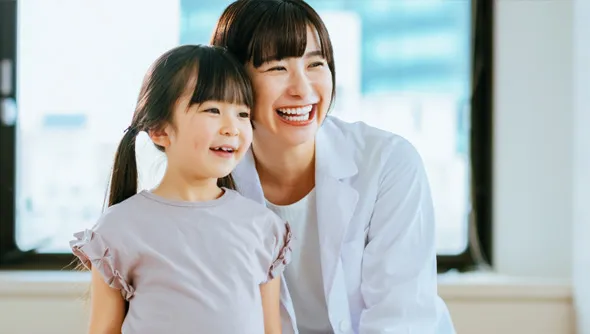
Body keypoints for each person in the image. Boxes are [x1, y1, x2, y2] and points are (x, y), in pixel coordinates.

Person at [210, 0, 456, 333]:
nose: (303, 89)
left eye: (316, 64)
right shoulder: (209, 174)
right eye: (277, 68)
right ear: (234, 82)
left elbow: (399, 321)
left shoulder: (388, 163)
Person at [69, 44, 292, 334]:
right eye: (213, 110)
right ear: (160, 130)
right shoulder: (119, 228)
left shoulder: (263, 227)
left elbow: (270, 329)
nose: (232, 128)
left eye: (242, 114)